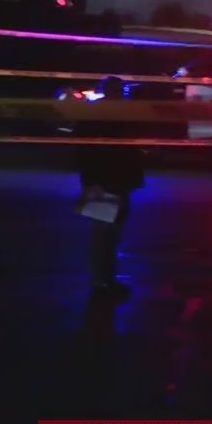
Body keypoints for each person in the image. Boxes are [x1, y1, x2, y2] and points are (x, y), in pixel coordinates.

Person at [75, 76, 146, 296]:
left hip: (108, 179)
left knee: (106, 233)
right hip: (112, 179)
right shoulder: (119, 115)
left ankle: (103, 279)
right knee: (107, 233)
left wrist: (89, 181)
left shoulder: (97, 114)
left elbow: (84, 151)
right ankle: (102, 280)